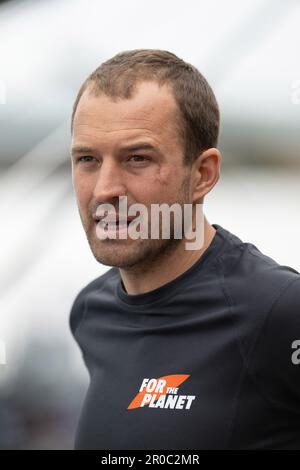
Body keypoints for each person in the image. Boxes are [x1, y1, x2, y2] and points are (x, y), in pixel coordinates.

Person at [69, 49, 300, 450]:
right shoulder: (90, 310)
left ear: (203, 174)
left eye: (137, 158)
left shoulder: (279, 310)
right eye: (87, 159)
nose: (105, 189)